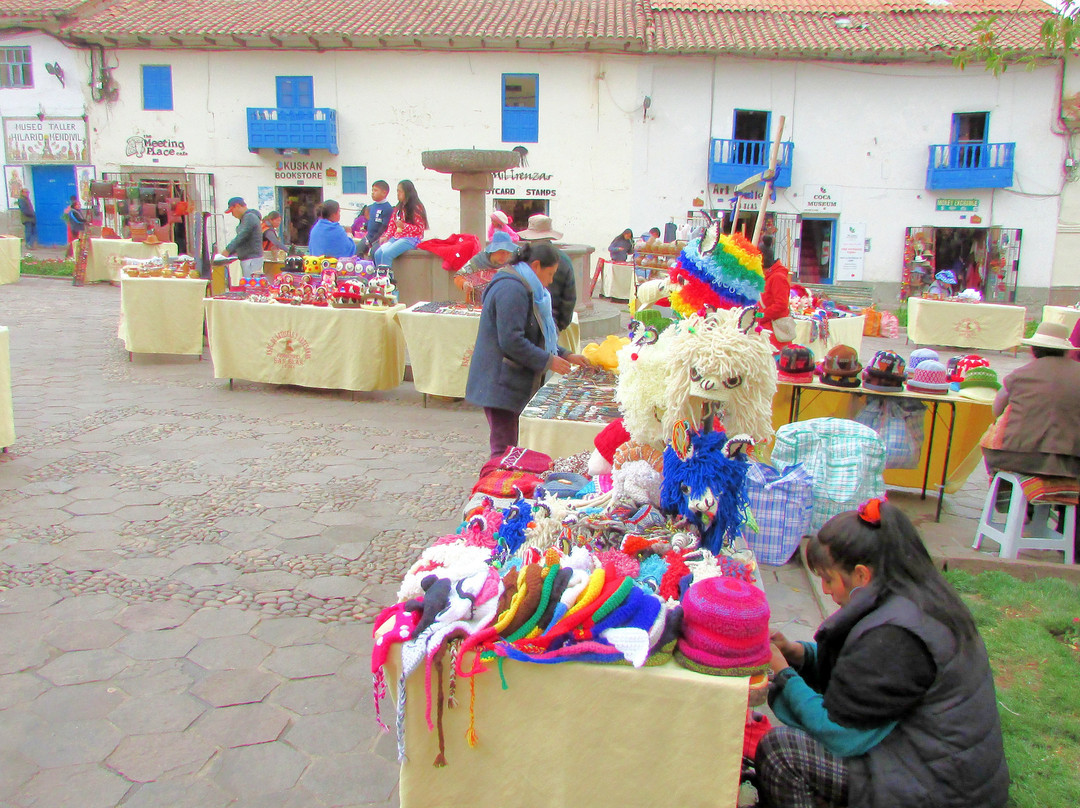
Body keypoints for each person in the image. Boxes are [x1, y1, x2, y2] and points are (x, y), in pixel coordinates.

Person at [758, 498, 1008, 808]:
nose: (824, 590)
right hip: (939, 769)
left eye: (828, 578)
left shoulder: (898, 637)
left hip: (941, 793)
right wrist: (799, 654)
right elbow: (861, 677)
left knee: (783, 752)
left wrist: (785, 675)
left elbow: (839, 732)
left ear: (861, 575)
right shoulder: (913, 598)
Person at [466, 242, 589, 458]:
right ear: (536, 265)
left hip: (509, 380)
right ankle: (497, 487)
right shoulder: (511, 289)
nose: (550, 282)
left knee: (512, 445)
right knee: (504, 448)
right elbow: (512, 340)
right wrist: (548, 361)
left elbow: (535, 334)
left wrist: (565, 354)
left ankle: (507, 484)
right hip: (500, 382)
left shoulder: (524, 285)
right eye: (549, 274)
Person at [983, 320, 1080, 478]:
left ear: (1033, 350)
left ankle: (1004, 497)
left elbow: (997, 411)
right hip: (1072, 464)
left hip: (1016, 458)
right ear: (1066, 351)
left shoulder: (1018, 375)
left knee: (990, 437)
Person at [517, 214, 577, 333]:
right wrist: (559, 326)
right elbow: (569, 299)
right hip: (551, 324)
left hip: (527, 323)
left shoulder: (522, 257)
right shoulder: (564, 259)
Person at [373, 179, 427, 274]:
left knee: (387, 254)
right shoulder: (398, 208)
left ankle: (387, 283)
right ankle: (379, 277)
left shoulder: (416, 207)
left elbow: (420, 229)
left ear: (407, 192)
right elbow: (392, 225)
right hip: (396, 237)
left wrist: (404, 226)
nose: (397, 194)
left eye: (400, 191)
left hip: (411, 239)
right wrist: (386, 236)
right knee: (378, 254)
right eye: (397, 191)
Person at [454, 229, 518, 294]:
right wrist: (464, 284)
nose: (505, 256)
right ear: (493, 251)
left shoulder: (511, 265)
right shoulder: (477, 261)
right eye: (502, 252)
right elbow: (459, 275)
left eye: (508, 253)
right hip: (477, 302)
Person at [224, 197, 264, 276]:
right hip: (248, 258)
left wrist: (228, 250)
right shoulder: (245, 219)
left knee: (251, 285)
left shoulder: (250, 217)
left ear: (238, 206)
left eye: (232, 211)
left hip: (252, 259)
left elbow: (242, 235)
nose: (233, 215)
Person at [357, 180, 393, 258]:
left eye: (375, 190)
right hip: (369, 236)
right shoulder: (373, 206)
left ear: (384, 193)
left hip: (379, 238)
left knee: (374, 252)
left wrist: (372, 241)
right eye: (372, 190)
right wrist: (365, 226)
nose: (373, 192)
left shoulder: (387, 208)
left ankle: (375, 269)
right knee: (358, 249)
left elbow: (384, 227)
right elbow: (371, 221)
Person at [63, 195, 87, 259]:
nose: (79, 206)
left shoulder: (78, 211)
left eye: (80, 204)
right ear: (74, 205)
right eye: (78, 204)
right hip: (75, 229)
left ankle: (74, 255)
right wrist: (85, 221)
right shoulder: (73, 212)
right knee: (73, 242)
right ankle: (69, 255)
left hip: (78, 229)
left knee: (76, 242)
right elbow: (78, 220)